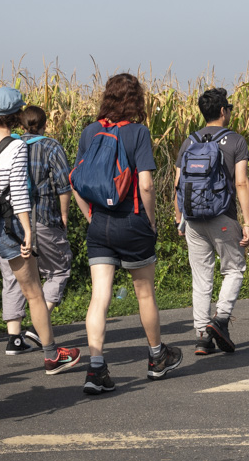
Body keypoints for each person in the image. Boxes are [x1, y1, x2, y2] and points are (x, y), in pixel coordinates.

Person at [0, 88, 80, 386]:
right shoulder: (15, 146)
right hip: (7, 229)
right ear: (17, 114)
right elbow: (20, 194)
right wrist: (27, 234)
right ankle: (51, 355)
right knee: (34, 292)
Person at [73, 73, 180, 393]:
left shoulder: (90, 131)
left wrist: (90, 216)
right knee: (144, 292)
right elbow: (145, 184)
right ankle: (157, 357)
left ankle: (95, 368)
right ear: (136, 99)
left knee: (99, 297)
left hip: (100, 224)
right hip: (132, 220)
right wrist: (151, 221)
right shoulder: (138, 133)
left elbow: (75, 180)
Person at [172, 88, 249, 355]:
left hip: (193, 219)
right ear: (222, 111)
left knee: (201, 277)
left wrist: (179, 219)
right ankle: (220, 318)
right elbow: (240, 181)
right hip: (223, 217)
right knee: (234, 269)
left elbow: (177, 185)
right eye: (228, 108)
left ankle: (202, 336)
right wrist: (248, 222)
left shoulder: (189, 141)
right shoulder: (235, 141)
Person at [0, 106, 74, 356]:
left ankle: (13, 338)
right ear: (44, 123)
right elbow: (64, 185)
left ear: (20, 123)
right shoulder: (51, 146)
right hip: (42, 216)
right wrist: (63, 215)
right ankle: (36, 327)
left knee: (13, 276)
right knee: (59, 269)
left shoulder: (8, 144)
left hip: (10, 221)